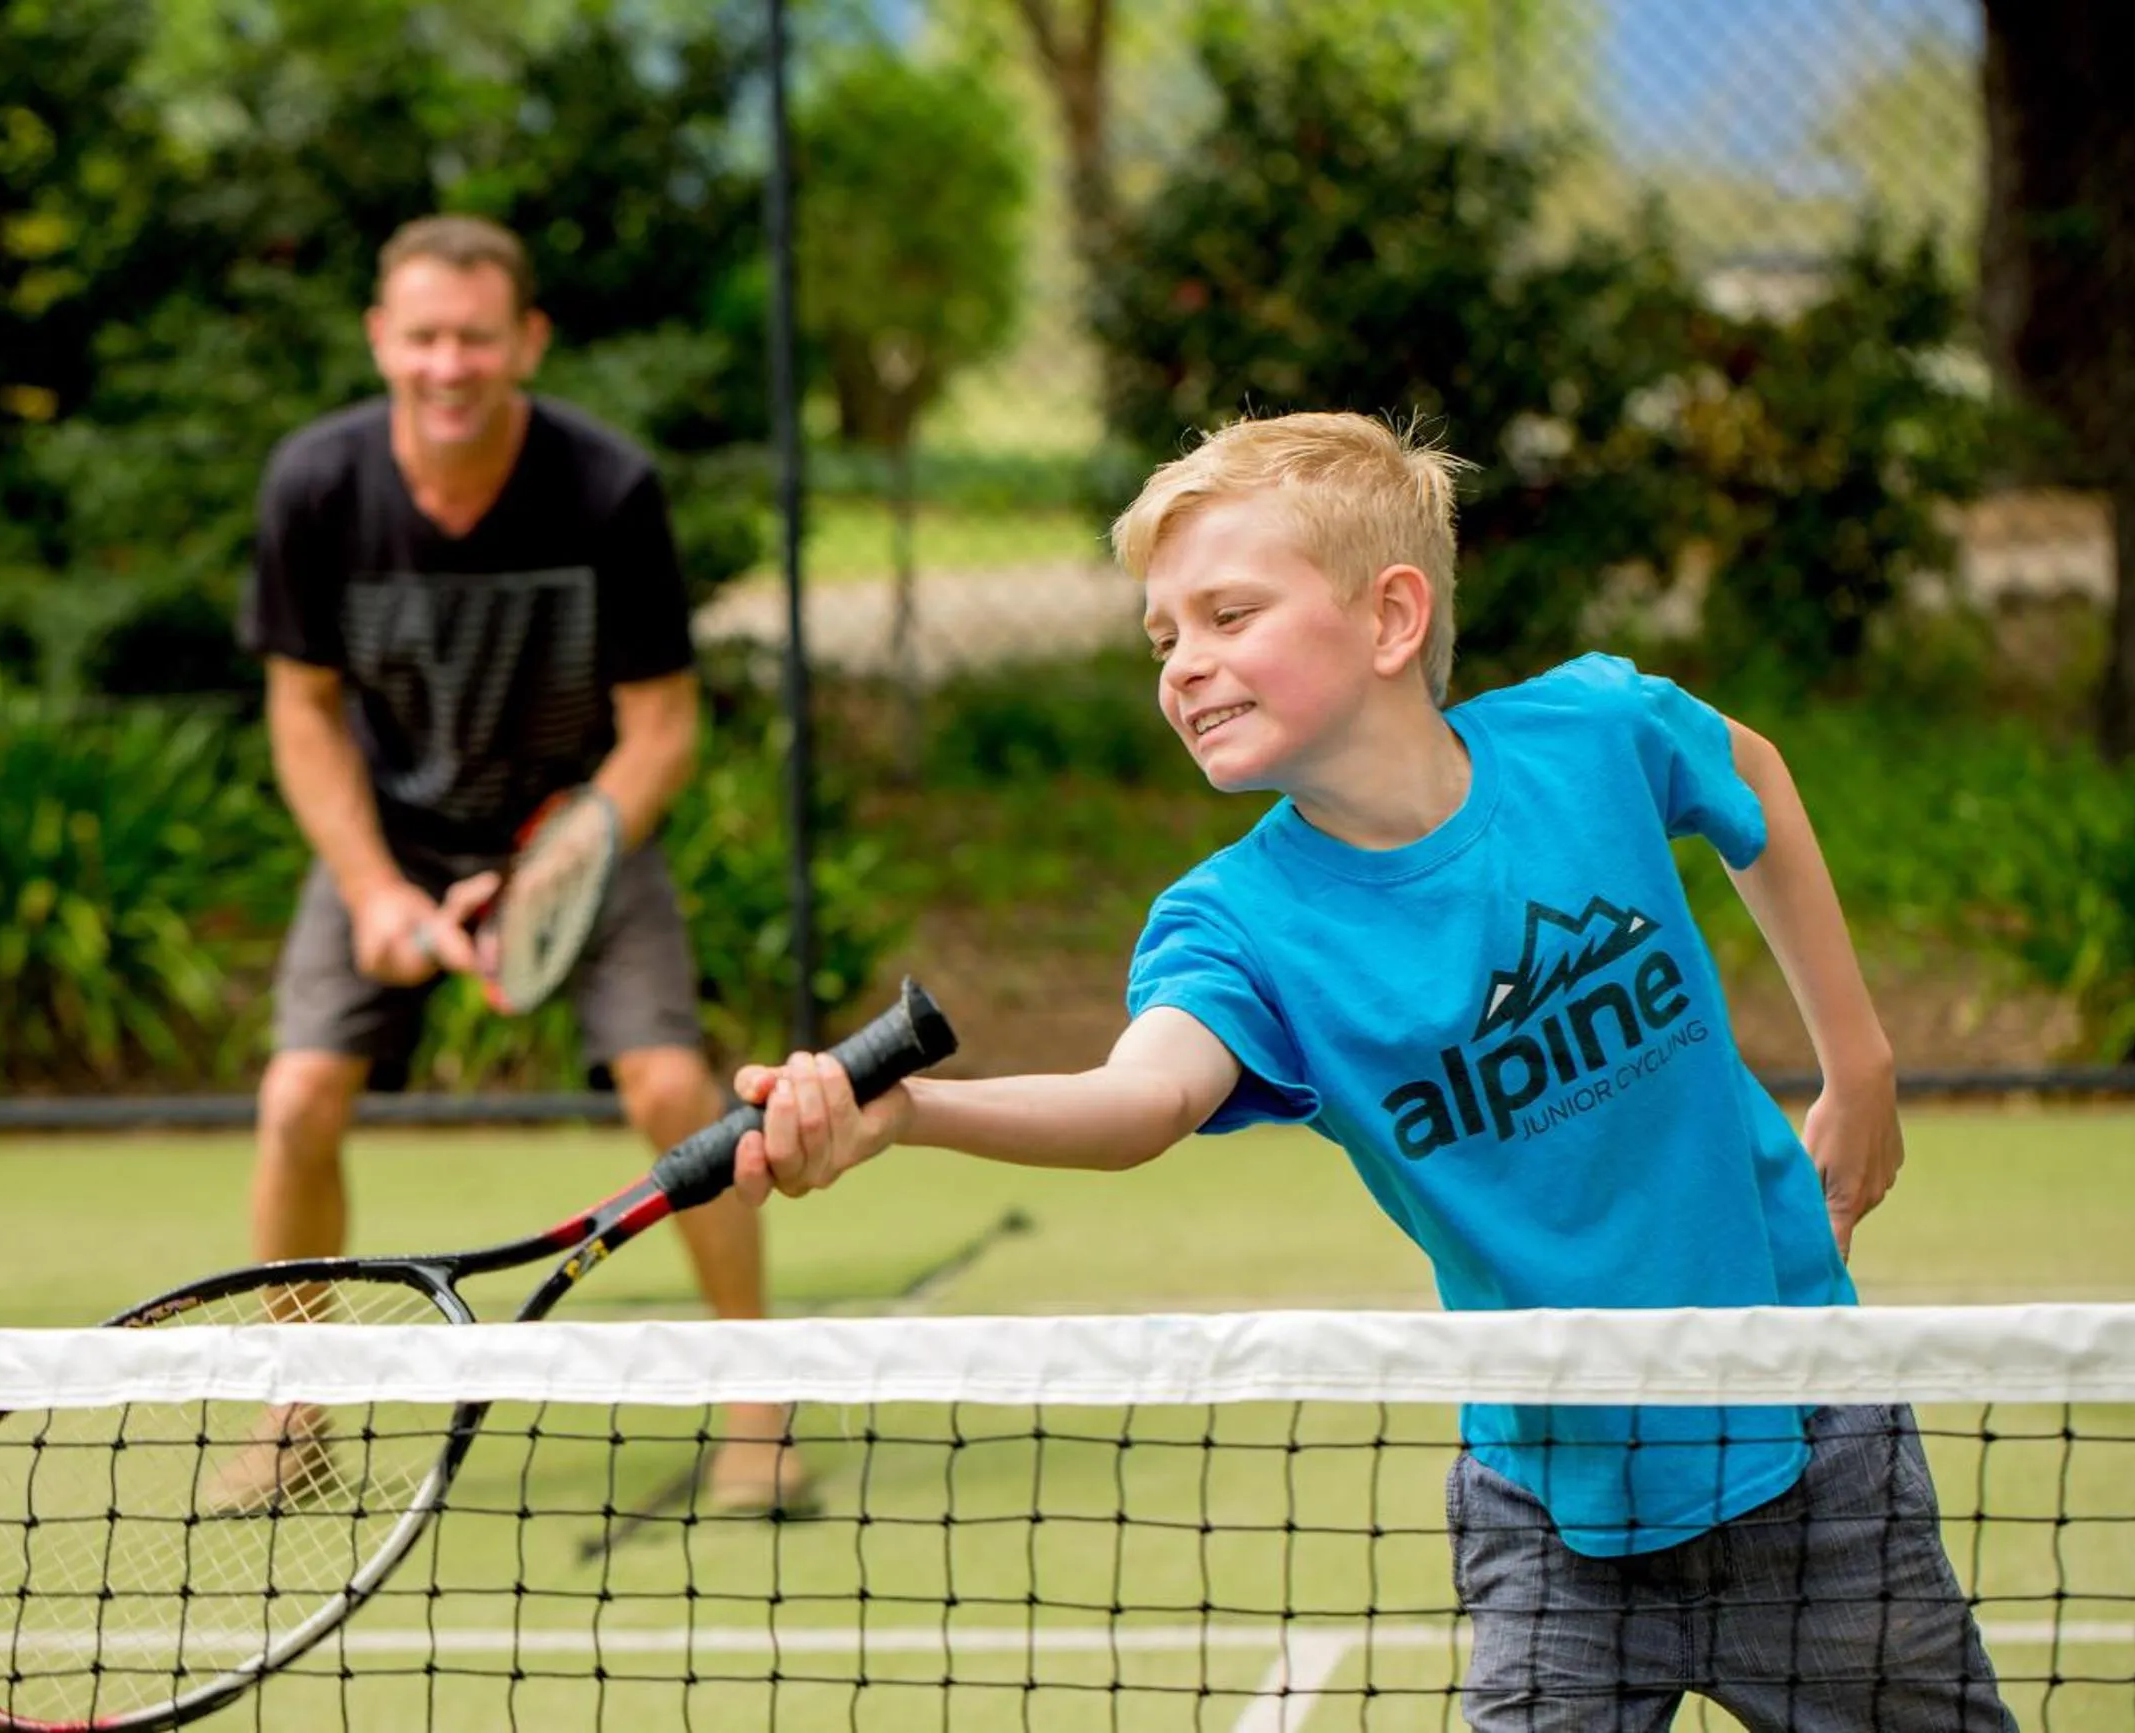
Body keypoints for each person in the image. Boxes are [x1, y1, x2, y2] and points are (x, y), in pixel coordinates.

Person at [728, 413, 2010, 1728]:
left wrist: (1859, 1067)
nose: (1184, 666)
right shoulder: (1234, 926)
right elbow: (1137, 1101)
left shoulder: (1594, 733)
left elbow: (1752, 774)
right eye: (1164, 638)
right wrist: (915, 1109)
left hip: (1809, 1440)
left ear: (1393, 618)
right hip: (1551, 1505)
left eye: (1228, 615)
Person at [230, 213, 800, 1513]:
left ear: (525, 342)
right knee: (297, 1099)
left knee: (673, 1091)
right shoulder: (314, 486)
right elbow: (303, 709)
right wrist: (377, 889)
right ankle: (293, 1406)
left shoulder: (608, 487)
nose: (449, 365)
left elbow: (661, 730)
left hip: (581, 832)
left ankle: (759, 1405)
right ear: (382, 339)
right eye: (423, 336)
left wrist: (558, 867)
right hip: (392, 836)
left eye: (476, 338)